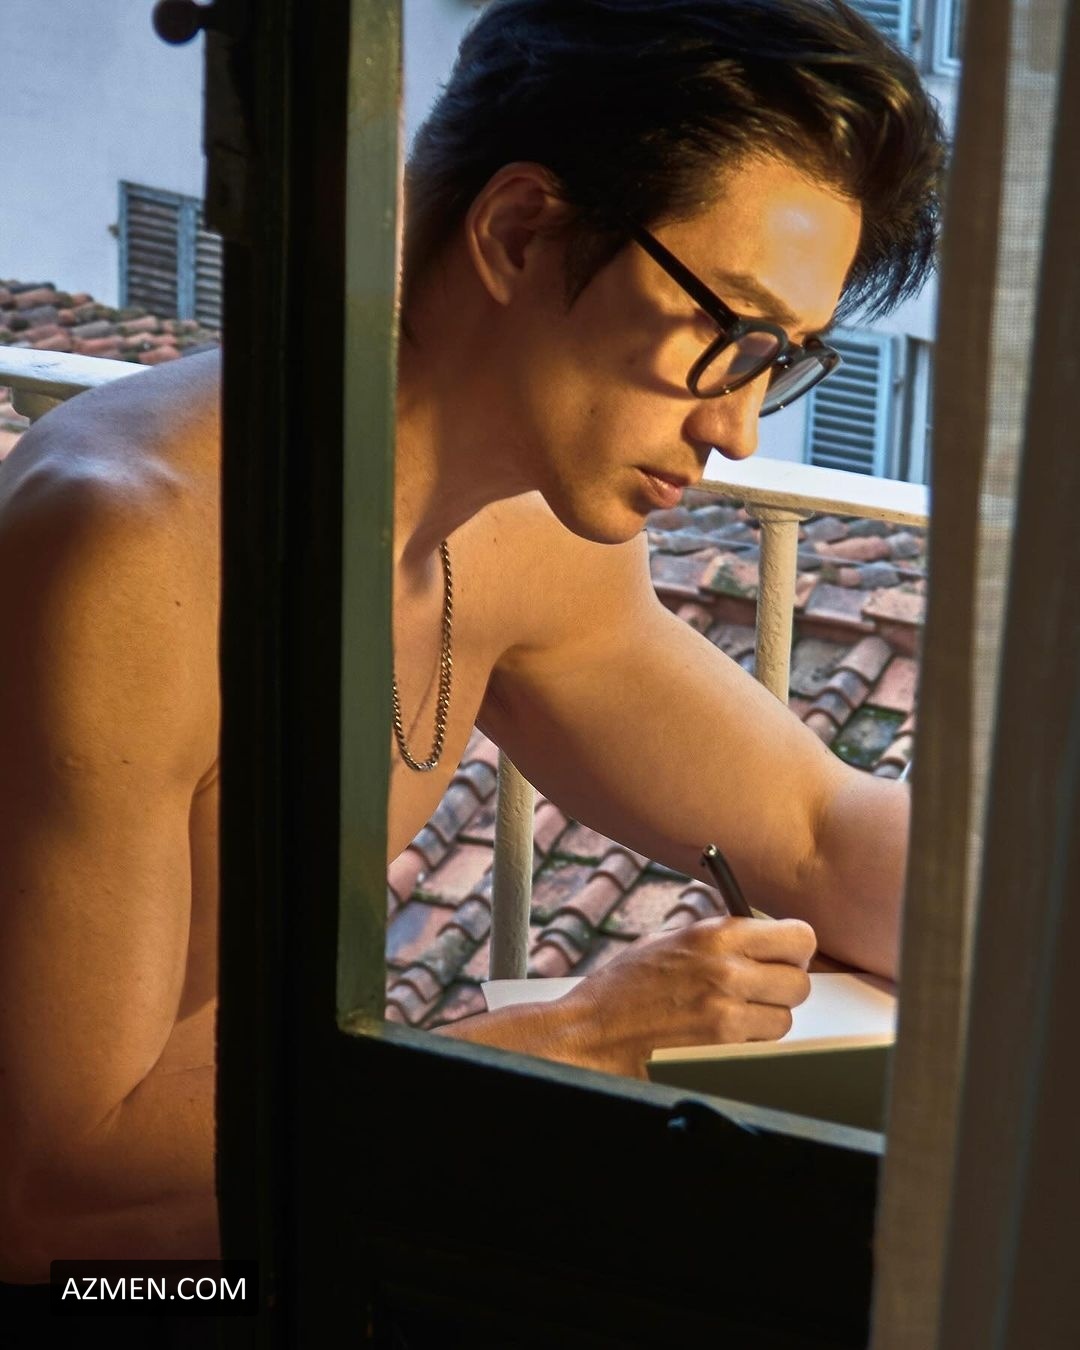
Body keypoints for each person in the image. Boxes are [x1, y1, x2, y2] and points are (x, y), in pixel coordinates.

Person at [0, 0, 944, 1282]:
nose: (739, 429)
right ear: (518, 231)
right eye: (727, 335)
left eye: (781, 359)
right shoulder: (132, 549)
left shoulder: (530, 531)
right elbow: (47, 1200)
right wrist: (577, 1037)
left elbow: (814, 828)